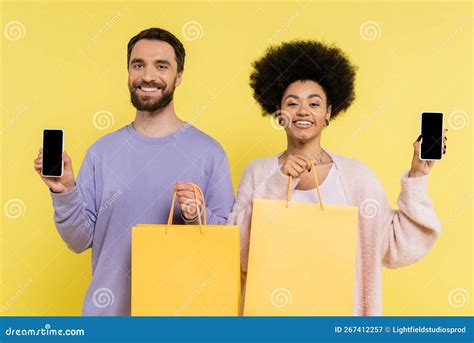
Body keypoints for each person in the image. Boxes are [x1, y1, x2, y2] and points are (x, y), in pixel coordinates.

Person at [228, 40, 447, 315]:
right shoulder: (258, 172)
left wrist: (417, 175)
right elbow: (240, 253)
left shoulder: (357, 177)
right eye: (292, 103)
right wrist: (277, 182)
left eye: (314, 103)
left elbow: (393, 246)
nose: (303, 111)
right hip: (274, 319)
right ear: (279, 113)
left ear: (328, 112)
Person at [33, 27, 234, 315]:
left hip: (180, 320)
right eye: (138, 65)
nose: (148, 76)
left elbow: (225, 247)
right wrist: (64, 191)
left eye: (161, 66)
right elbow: (79, 241)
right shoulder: (101, 151)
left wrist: (198, 216)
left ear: (179, 77)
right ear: (128, 72)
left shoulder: (210, 153)